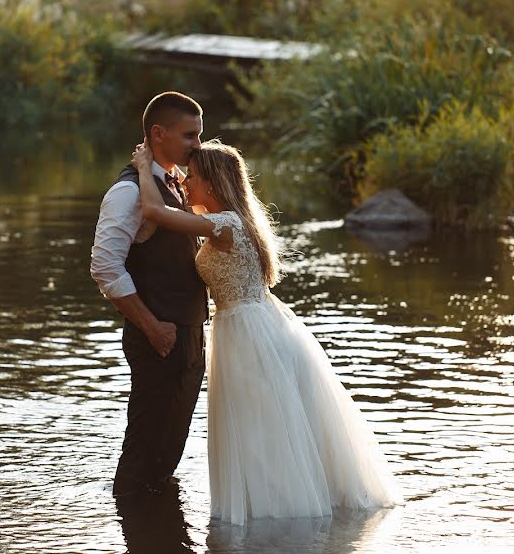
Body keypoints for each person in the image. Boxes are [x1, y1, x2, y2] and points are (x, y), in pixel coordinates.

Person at [130, 139, 404, 524]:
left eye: (191, 176)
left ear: (212, 182)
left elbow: (154, 210)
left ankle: (276, 518)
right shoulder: (230, 218)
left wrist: (145, 166)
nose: (185, 181)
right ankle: (274, 511)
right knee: (261, 424)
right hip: (250, 325)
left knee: (258, 427)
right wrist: (172, 174)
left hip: (246, 334)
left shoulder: (225, 224)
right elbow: (177, 204)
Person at [89, 91, 207, 497]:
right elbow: (104, 266)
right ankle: (135, 527)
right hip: (159, 337)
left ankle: (156, 530)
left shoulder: (175, 183)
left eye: (200, 135)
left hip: (188, 335)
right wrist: (152, 326)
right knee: (143, 452)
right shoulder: (128, 193)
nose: (198, 145)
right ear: (159, 134)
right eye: (190, 136)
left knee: (168, 452)